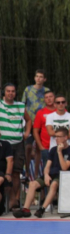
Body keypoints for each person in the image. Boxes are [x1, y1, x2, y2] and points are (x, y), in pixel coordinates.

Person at [13, 128, 70, 219]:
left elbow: (64, 168)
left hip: (63, 176)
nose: (56, 139)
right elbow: (47, 166)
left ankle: (42, 209)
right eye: (55, 136)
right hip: (51, 174)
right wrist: (46, 175)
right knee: (32, 184)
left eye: (59, 136)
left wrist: (59, 152)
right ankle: (26, 209)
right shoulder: (53, 149)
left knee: (54, 184)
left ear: (66, 137)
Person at [0, 83, 32, 211]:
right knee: (4, 173)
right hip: (3, 143)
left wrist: (27, 132)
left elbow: (29, 120)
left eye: (13, 91)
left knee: (16, 173)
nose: (10, 93)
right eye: (8, 91)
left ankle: (15, 201)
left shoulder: (20, 105)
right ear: (4, 92)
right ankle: (7, 201)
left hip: (18, 143)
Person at [21, 69, 50, 181]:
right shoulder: (28, 89)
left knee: (38, 148)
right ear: (34, 78)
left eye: (41, 77)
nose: (38, 78)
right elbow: (23, 105)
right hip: (29, 122)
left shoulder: (46, 91)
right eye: (37, 76)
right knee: (28, 147)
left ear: (44, 79)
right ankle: (27, 171)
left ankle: (37, 173)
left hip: (41, 122)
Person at [33, 91, 56, 176]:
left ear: (54, 98)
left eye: (51, 96)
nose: (49, 99)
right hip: (46, 147)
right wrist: (40, 147)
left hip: (60, 146)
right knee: (47, 171)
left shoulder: (61, 111)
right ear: (44, 100)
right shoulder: (40, 112)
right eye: (46, 97)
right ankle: (46, 189)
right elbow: (35, 131)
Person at [0, 131, 13, 215]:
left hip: (1, 173)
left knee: (0, 178)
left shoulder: (5, 145)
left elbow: (10, 160)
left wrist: (8, 174)